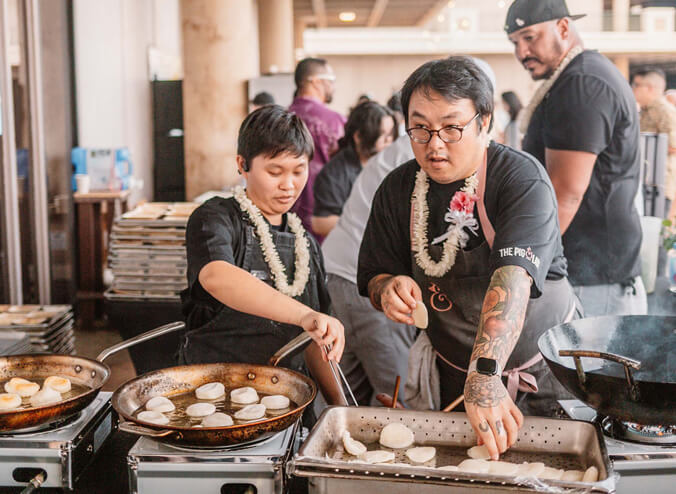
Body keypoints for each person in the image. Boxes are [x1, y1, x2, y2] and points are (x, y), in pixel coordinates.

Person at [357, 57, 579, 460]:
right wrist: (387, 288)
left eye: (451, 127)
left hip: (544, 372)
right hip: (453, 374)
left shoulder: (520, 178)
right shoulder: (396, 189)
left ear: (485, 121)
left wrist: (485, 374)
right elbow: (375, 274)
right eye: (420, 127)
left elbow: (513, 278)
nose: (434, 142)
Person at [179, 105, 345, 405]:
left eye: (298, 171)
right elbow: (217, 277)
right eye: (275, 172)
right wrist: (304, 315)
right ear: (242, 165)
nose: (289, 184)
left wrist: (342, 410)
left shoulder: (305, 243)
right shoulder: (215, 218)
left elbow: (315, 342)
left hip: (285, 400)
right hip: (212, 395)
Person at [505, 0, 647, 317]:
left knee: (592, 368)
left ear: (564, 27)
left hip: (593, 280)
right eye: (515, 42)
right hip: (592, 274)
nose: (521, 52)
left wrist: (526, 269)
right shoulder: (580, 76)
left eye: (529, 37)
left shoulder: (582, 84)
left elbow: (564, 192)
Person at [312, 101, 396, 237]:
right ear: (358, 137)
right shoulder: (334, 173)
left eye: (391, 134)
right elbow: (320, 222)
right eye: (381, 135)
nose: (388, 141)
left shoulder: (390, 164)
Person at [288, 58, 346, 239]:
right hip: (324, 215)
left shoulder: (279, 120)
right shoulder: (335, 121)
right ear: (315, 81)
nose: (333, 86)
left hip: (285, 214)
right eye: (331, 81)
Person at [632, 68, 676, 220]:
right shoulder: (645, 110)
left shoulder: (664, 111)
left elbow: (674, 145)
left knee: (655, 232)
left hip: (659, 185)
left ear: (649, 88)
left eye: (636, 85)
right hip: (645, 181)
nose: (633, 89)